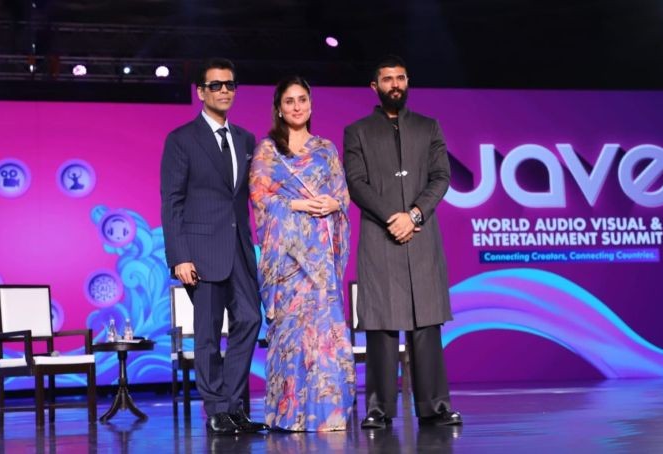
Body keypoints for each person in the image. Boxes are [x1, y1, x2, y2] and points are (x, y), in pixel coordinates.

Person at [343, 55, 463, 429]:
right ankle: (379, 409)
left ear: (407, 82)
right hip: (380, 236)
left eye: (400, 78)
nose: (395, 84)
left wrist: (414, 215)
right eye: (387, 79)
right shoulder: (357, 131)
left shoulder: (429, 127)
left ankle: (435, 406)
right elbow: (356, 183)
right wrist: (392, 218)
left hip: (421, 235)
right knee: (381, 325)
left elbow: (441, 177)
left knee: (426, 323)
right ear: (374, 86)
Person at [160, 57, 268, 435]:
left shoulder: (245, 139)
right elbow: (172, 201)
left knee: (250, 319)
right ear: (201, 92)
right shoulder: (182, 139)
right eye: (216, 85)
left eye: (230, 85)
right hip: (200, 253)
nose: (224, 90)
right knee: (207, 333)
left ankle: (233, 405)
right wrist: (180, 257)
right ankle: (216, 409)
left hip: (239, 249)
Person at [250, 76, 356, 432]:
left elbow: (342, 196)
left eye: (302, 100)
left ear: (310, 105)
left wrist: (333, 204)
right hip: (286, 260)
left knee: (323, 329)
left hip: (320, 255)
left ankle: (327, 413)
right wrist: (298, 204)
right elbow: (260, 198)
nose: (297, 107)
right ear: (279, 108)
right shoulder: (268, 151)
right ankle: (289, 414)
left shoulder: (325, 149)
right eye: (290, 101)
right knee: (291, 332)